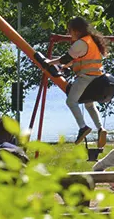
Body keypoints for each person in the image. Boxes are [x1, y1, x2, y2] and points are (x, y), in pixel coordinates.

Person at [46, 17, 109, 145]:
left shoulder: (80, 43)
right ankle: (100, 128)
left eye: (70, 31)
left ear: (76, 30)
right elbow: (77, 60)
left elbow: (66, 58)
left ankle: (83, 127)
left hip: (86, 77)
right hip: (97, 76)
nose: (69, 34)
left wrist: (49, 62)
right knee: (89, 104)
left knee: (71, 101)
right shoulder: (91, 41)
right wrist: (65, 67)